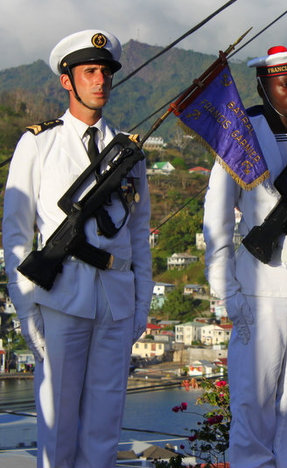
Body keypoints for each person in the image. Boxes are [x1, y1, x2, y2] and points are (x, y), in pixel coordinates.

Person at [2, 29, 153, 467]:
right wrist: (26, 311)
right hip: (61, 300)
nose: (100, 80)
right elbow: (15, 236)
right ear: (67, 80)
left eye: (105, 72)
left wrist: (141, 306)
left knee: (104, 429)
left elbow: (139, 236)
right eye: (90, 72)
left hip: (116, 304)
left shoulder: (128, 151)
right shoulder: (38, 143)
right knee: (58, 427)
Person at [203, 45, 287, 468]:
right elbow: (218, 215)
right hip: (262, 287)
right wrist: (225, 289)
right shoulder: (243, 134)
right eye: (284, 83)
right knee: (254, 402)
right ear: (264, 86)